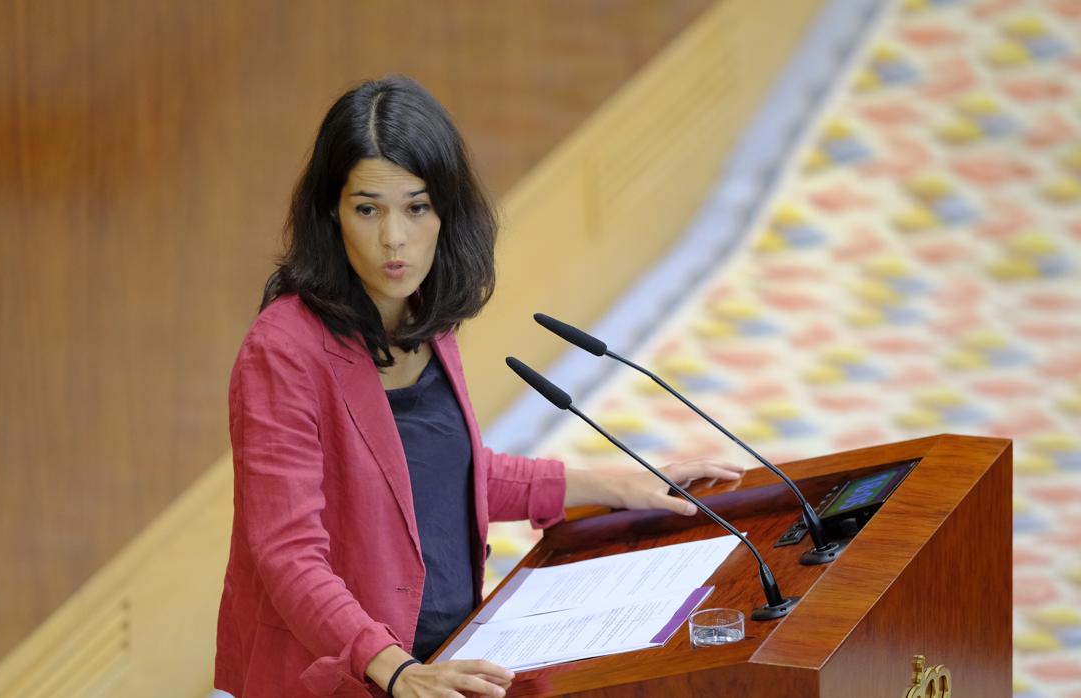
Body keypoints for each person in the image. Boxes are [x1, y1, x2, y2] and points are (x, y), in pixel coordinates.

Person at [213, 76, 743, 698]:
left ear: (446, 212)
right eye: (367, 209)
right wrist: (397, 670)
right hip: (348, 679)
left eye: (416, 207)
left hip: (453, 655)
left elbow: (441, 475)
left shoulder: (424, 317)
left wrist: (621, 486)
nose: (394, 238)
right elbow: (288, 555)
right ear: (331, 212)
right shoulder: (283, 351)